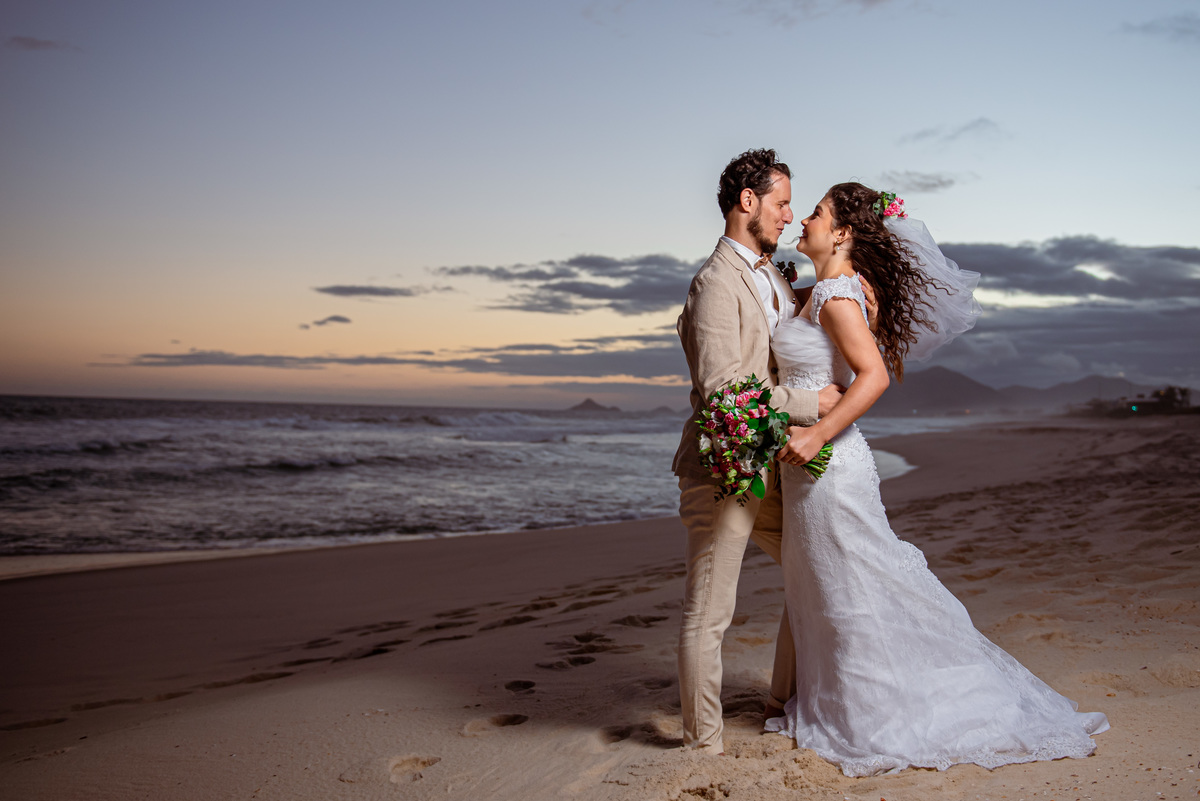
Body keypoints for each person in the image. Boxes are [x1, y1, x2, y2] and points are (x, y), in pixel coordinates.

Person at [764, 182, 1109, 776]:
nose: (806, 221)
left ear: (842, 232)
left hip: (829, 466)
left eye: (816, 214)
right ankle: (845, 700)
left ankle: (872, 713)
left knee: (855, 590)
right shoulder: (825, 289)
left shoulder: (836, 297)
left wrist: (816, 434)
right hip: (816, 469)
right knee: (834, 587)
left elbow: (871, 378)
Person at [672, 149, 875, 755]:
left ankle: (782, 702)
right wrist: (812, 404)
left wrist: (843, 280)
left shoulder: (771, 273)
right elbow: (724, 393)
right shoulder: (714, 283)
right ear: (748, 202)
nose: (789, 215)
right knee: (711, 608)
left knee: (811, 573)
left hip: (770, 465)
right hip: (724, 467)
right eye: (782, 203)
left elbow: (788, 329)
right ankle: (702, 740)